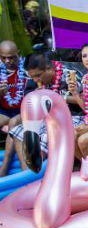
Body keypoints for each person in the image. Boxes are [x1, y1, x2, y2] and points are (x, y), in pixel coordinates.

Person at [0, 53, 83, 176]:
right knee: (18, 131)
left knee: (42, 135)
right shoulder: (38, 79)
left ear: (49, 69)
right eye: (32, 77)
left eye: (38, 76)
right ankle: (26, 174)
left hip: (72, 117)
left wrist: (56, 97)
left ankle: (36, 176)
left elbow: (84, 101)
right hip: (47, 117)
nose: (35, 80)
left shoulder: (70, 76)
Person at [0, 40, 30, 176]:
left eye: (11, 57)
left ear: (18, 54)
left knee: (14, 123)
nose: (7, 61)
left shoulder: (28, 69)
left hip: (24, 111)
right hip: (5, 112)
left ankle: (4, 168)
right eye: (3, 57)